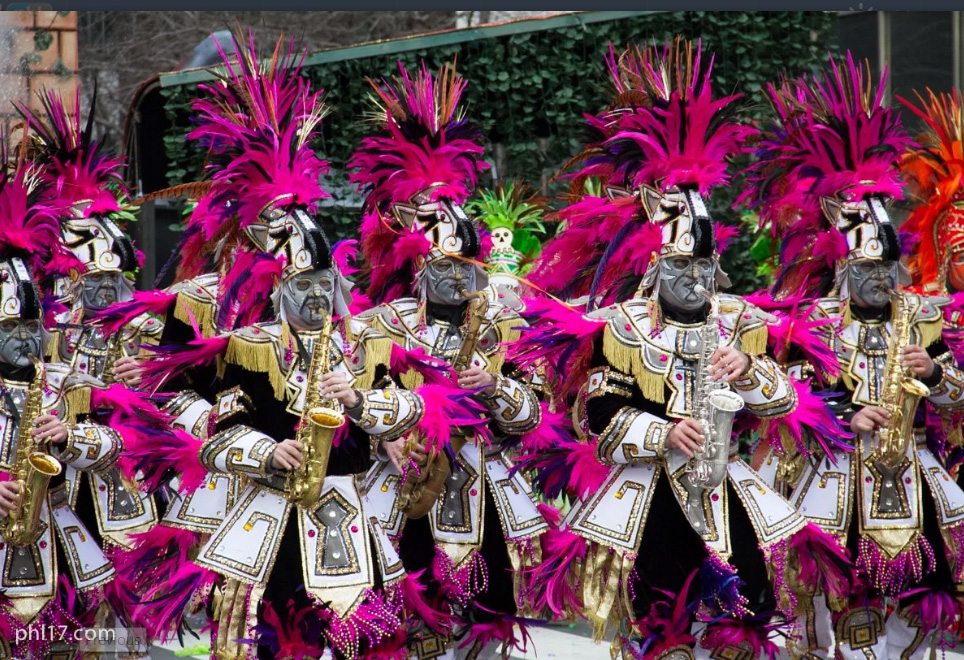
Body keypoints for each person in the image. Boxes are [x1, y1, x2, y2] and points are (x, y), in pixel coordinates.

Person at [517, 39, 852, 659]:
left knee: (743, 635)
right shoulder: (618, 327)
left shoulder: (745, 319)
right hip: (651, 503)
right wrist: (660, 431)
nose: (696, 280)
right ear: (653, 259)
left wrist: (751, 370)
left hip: (732, 494)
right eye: (681, 267)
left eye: (704, 267)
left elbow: (794, 399)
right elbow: (594, 412)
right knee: (664, 636)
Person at [744, 53, 964, 658]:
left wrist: (937, 372)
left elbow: (959, 394)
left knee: (916, 613)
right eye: (862, 267)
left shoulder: (924, 318)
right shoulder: (811, 323)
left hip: (913, 476)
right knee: (829, 613)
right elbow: (783, 395)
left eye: (884, 267)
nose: (875, 278)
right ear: (840, 265)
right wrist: (841, 415)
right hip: (830, 478)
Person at [350, 60, 553, 658]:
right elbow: (346, 405)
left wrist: (494, 387)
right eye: (434, 258)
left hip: (482, 494)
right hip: (399, 495)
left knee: (485, 633)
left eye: (459, 262)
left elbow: (533, 417)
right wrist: (382, 434)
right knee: (403, 629)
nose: (447, 271)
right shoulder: (376, 326)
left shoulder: (503, 322)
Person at [0, 144, 131, 658]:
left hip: (62, 541)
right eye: (12, 328)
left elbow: (121, 439)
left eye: (34, 327)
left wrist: (72, 436)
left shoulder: (67, 378)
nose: (28, 340)